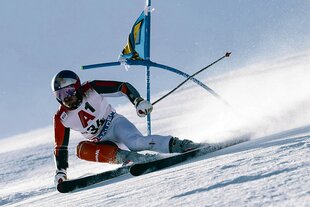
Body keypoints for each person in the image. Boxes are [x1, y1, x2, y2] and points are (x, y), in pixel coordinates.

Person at [51, 70, 201, 185]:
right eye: (60, 95)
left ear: (77, 87)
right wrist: (61, 170)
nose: (66, 98)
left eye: (68, 91)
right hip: (103, 143)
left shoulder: (91, 89)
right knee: (81, 150)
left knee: (136, 143)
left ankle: (181, 145)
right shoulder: (61, 117)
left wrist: (138, 101)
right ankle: (131, 159)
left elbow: (122, 87)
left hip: (115, 125)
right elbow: (60, 147)